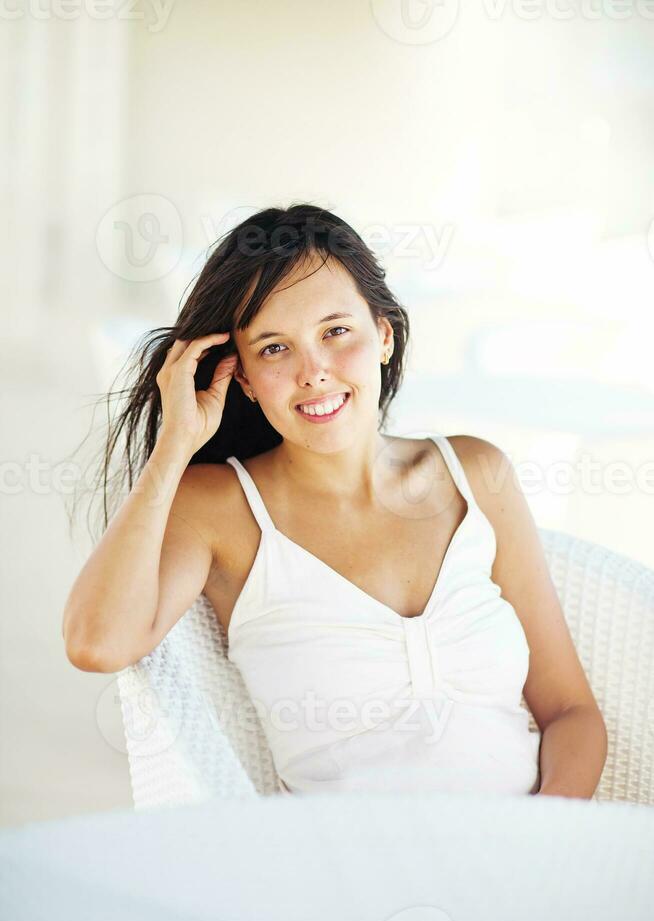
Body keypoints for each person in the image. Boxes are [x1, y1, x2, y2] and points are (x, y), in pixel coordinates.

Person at [63, 204, 607, 799]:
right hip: (349, 872)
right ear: (240, 376)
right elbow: (97, 642)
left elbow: (571, 712)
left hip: (525, 854)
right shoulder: (220, 508)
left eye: (335, 332)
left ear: (384, 334)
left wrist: (544, 838)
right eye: (274, 349)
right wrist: (173, 447)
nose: (314, 372)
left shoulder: (476, 474)